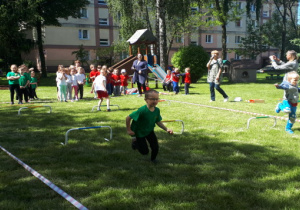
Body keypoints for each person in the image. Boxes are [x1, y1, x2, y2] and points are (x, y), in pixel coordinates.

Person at [125, 90, 173, 163]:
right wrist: (128, 130)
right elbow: (128, 118)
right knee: (145, 152)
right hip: (139, 132)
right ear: (146, 100)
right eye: (152, 99)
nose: (155, 101)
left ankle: (153, 159)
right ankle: (135, 142)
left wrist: (166, 129)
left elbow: (158, 121)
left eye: (157, 99)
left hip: (149, 131)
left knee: (155, 147)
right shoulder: (142, 110)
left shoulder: (157, 110)